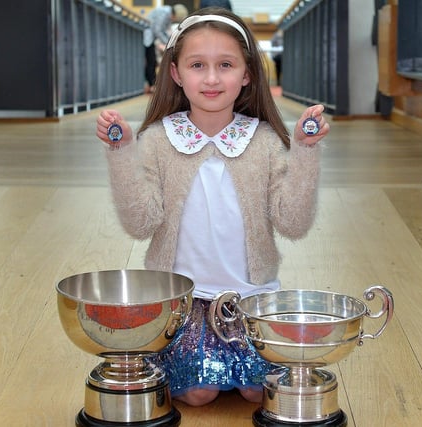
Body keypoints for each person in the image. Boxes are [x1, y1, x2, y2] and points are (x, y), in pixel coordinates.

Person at [96, 7, 329, 407]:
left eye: (225, 65)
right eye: (197, 65)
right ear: (175, 73)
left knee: (261, 391)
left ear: (247, 74)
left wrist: (305, 153)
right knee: (199, 393)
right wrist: (121, 152)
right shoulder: (157, 140)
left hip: (249, 300)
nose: (211, 78)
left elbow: (292, 223)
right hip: (185, 305)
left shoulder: (265, 141)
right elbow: (141, 223)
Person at [143, 4, 188, 94]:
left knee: (153, 62)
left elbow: (163, 31)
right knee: (151, 61)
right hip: (147, 37)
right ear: (174, 15)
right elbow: (158, 30)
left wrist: (171, 40)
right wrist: (169, 43)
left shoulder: (167, 13)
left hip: (151, 38)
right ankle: (151, 85)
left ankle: (151, 84)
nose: (174, 20)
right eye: (175, 19)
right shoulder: (164, 13)